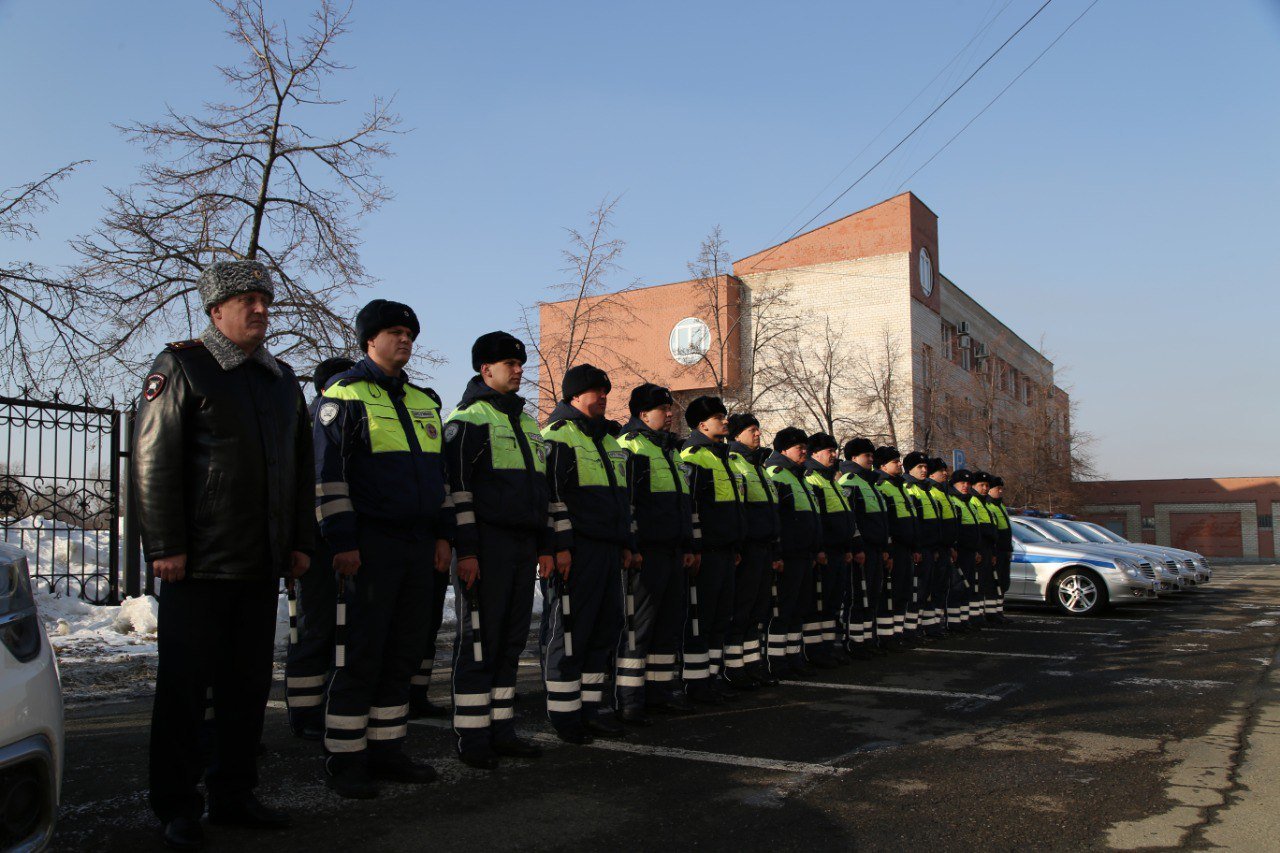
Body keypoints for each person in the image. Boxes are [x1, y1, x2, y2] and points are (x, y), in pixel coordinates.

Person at [135, 260, 312, 849]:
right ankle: (177, 805)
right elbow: (153, 463)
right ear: (215, 311)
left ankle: (234, 794)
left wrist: (299, 542)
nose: (260, 309)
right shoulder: (183, 365)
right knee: (185, 692)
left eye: (265, 300)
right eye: (246, 301)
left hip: (260, 565)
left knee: (246, 688)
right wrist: (166, 547)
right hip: (199, 565)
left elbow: (299, 470)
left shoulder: (282, 378)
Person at [315, 299, 453, 798]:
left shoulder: (423, 400)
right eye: (394, 332)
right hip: (370, 544)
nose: (405, 340)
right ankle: (346, 758)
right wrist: (343, 542)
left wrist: (442, 536)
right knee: (362, 653)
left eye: (410, 333)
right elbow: (329, 478)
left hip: (419, 545)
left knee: (403, 651)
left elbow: (437, 476)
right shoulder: (344, 395)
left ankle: (388, 748)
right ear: (369, 339)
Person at [445, 332, 551, 768]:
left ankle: (502, 729)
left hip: (523, 545)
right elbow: (458, 492)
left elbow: (542, 492)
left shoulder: (527, 422)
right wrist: (467, 552)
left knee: (509, 641)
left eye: (520, 362)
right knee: (479, 642)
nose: (519, 369)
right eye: (510, 363)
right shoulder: (467, 419)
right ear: (485, 369)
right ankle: (473, 739)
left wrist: (544, 545)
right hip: (485, 546)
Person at [541, 364, 635, 743]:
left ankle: (591, 709)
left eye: (605, 392)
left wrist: (627, 543)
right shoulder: (557, 435)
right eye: (597, 391)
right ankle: (565, 716)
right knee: (569, 631)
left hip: (608, 549)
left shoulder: (609, 441)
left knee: (603, 628)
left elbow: (622, 500)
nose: (603, 398)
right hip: (577, 550)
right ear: (575, 395)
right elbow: (553, 496)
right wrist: (561, 546)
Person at [616, 383, 699, 722]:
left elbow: (683, 505)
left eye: (669, 408)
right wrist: (633, 546)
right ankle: (630, 698)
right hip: (646, 553)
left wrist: (688, 545)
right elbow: (627, 503)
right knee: (639, 627)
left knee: (667, 625)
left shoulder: (669, 450)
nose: (669, 414)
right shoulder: (629, 445)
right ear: (642, 413)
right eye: (662, 409)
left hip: (672, 552)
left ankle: (659, 692)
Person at [285, 356, 354, 741]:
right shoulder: (318, 421)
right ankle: (305, 710)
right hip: (317, 542)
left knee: (337, 629)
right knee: (316, 629)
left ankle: (322, 704)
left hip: (338, 537)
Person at [679, 396, 747, 703]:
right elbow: (691, 506)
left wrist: (734, 545)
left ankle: (714, 677)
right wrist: (696, 547)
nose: (725, 421)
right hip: (706, 553)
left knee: (721, 619)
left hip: (725, 552)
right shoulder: (693, 455)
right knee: (701, 621)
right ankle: (696, 684)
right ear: (702, 424)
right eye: (720, 417)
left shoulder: (723, 457)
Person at [725, 413, 782, 688]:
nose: (758, 434)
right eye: (751, 430)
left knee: (758, 610)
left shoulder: (758, 465)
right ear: (736, 435)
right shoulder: (734, 462)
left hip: (764, 548)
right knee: (742, 609)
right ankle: (735, 670)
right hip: (747, 548)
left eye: (758, 429)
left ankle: (752, 665)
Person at [764, 428, 822, 677]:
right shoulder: (777, 474)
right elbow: (775, 518)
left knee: (799, 609)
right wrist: (777, 553)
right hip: (788, 556)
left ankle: (793, 656)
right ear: (784, 450)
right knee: (783, 610)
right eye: (799, 447)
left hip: (804, 555)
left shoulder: (800, 477)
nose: (804, 451)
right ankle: (777, 662)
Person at [803, 433, 856, 666]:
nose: (834, 455)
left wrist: (847, 546)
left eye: (835, 451)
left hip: (838, 551)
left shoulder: (830, 480)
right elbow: (817, 520)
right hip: (824, 553)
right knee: (820, 604)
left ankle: (828, 648)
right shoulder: (812, 478)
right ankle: (816, 651)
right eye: (829, 451)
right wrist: (820, 548)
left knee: (833, 603)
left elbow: (846, 517)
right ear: (815, 453)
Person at [838, 439, 892, 657]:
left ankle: (867, 640)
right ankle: (855, 643)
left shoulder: (871, 483)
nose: (870, 459)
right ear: (853, 458)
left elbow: (882, 519)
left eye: (871, 456)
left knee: (873, 595)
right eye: (865, 455)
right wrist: (857, 546)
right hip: (863, 550)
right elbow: (851, 518)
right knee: (859, 597)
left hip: (876, 549)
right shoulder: (849, 481)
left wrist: (886, 546)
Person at [874, 446, 920, 646]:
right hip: (894, 549)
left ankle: (898, 633)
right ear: (883, 465)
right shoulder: (881, 485)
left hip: (907, 548)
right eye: (895, 461)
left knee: (903, 593)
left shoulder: (900, 486)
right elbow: (887, 523)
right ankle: (886, 636)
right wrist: (889, 550)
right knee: (890, 594)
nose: (900, 464)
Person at [902, 451, 945, 640]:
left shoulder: (926, 489)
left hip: (930, 548)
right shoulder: (909, 488)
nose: (924, 470)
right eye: (920, 467)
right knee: (916, 591)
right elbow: (914, 523)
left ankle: (925, 626)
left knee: (926, 590)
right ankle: (912, 629)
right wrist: (916, 548)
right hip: (918, 549)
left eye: (926, 467)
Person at [927, 457, 968, 633]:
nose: (945, 473)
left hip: (945, 548)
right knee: (932, 588)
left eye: (946, 470)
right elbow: (933, 525)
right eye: (941, 470)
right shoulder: (931, 491)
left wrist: (950, 546)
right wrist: (937, 547)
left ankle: (938, 623)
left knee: (943, 587)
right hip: (935, 548)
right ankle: (931, 625)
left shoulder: (943, 492)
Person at [947, 470, 984, 630]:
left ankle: (964, 619)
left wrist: (976, 550)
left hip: (970, 551)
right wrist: (953, 548)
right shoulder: (953, 500)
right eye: (962, 482)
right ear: (954, 483)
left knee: (967, 586)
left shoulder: (968, 501)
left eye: (968, 483)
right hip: (959, 551)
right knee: (957, 586)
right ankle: (954, 622)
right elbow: (954, 528)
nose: (965, 486)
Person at [969, 471, 1000, 621]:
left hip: (987, 547)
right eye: (982, 485)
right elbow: (978, 528)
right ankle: (976, 615)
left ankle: (984, 613)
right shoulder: (973, 501)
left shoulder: (985, 502)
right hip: (980, 547)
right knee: (978, 582)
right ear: (974, 486)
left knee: (986, 582)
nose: (985, 488)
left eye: (987, 485)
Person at [987, 475, 1013, 622]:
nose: (1001, 491)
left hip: (1004, 550)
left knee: (1003, 582)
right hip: (996, 551)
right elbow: (994, 532)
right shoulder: (989, 506)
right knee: (994, 582)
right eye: (998, 489)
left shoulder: (1000, 505)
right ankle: (992, 613)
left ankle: (999, 611)